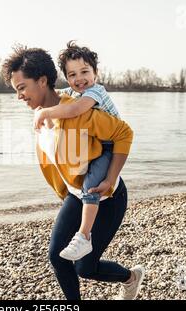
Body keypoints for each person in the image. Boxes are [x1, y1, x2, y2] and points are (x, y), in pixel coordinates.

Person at [1, 45, 145, 300]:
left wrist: (110, 179)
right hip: (76, 195)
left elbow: (124, 134)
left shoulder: (81, 111)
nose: (19, 96)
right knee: (56, 257)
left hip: (108, 197)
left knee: (85, 268)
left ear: (42, 81)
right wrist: (65, 194)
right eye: (16, 90)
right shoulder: (40, 116)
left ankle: (131, 278)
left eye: (22, 87)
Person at [33, 41, 121, 261]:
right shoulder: (73, 91)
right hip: (96, 144)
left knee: (90, 186)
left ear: (95, 73)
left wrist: (45, 113)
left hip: (109, 146)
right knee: (81, 180)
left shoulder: (95, 92)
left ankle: (84, 236)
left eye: (84, 71)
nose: (79, 78)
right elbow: (57, 95)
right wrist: (42, 101)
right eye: (72, 74)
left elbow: (75, 109)